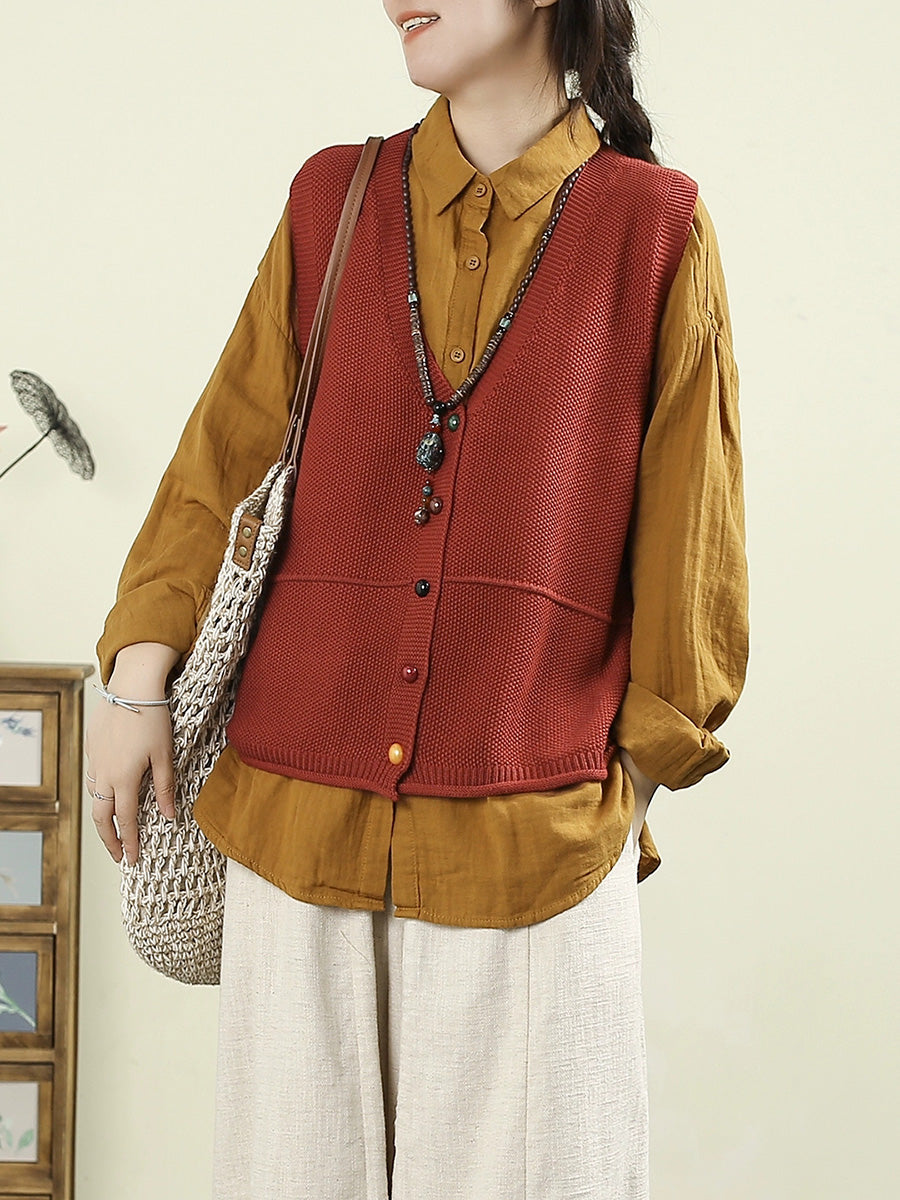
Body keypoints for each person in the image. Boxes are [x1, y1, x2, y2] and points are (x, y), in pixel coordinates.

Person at [85, 1, 749, 1196]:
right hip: (295, 835)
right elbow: (223, 459)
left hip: (536, 852)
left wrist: (621, 797)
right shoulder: (331, 201)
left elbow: (695, 544)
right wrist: (138, 681)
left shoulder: (654, 229)